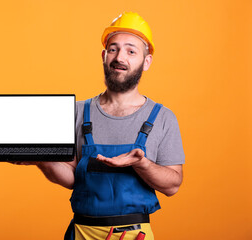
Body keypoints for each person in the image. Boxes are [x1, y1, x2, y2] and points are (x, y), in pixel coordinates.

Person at [13, 12, 185, 240]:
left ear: (146, 61)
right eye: (113, 49)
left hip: (133, 236)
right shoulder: (76, 112)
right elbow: (72, 178)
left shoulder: (163, 117)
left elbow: (172, 185)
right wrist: (43, 159)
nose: (119, 57)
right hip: (82, 232)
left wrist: (141, 164)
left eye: (131, 51)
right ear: (104, 56)